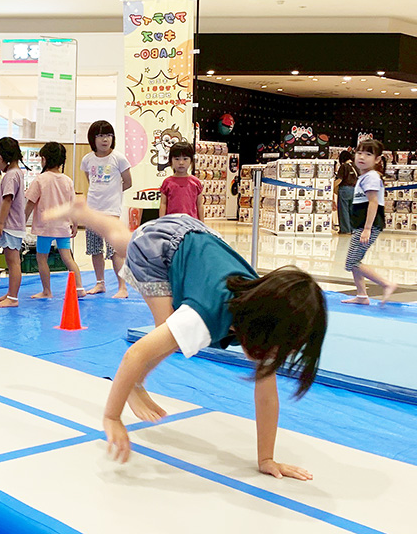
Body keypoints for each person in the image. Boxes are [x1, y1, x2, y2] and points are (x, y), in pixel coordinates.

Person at [54, 198, 327, 478]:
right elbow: (135, 353)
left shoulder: (260, 305)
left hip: (194, 235)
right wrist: (113, 416)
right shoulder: (207, 313)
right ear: (265, 326)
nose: (275, 354)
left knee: (124, 240)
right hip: (161, 248)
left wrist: (266, 459)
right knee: (166, 328)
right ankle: (136, 383)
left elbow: (268, 396)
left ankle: (82, 211)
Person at [25, 142, 85, 299]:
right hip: (63, 226)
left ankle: (47, 291)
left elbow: (30, 203)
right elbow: (72, 205)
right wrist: (75, 223)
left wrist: (22, 221)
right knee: (67, 258)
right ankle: (79, 287)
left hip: (45, 227)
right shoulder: (67, 180)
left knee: (41, 258)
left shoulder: (40, 180)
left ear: (43, 159)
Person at [341, 139, 397, 305]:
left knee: (352, 262)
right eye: (359, 153)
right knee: (354, 260)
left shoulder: (371, 177)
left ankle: (386, 284)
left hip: (367, 226)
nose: (362, 157)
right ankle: (362, 295)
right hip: (361, 225)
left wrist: (367, 228)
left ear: (377, 159)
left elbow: (373, 202)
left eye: (368, 154)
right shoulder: (364, 177)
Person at [80, 120, 132, 298]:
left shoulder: (118, 158)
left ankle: (122, 287)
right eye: (100, 136)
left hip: (111, 212)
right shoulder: (87, 159)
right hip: (93, 211)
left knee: (114, 251)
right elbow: (91, 181)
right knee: (95, 249)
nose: (105, 140)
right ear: (92, 139)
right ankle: (100, 283)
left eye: (108, 135)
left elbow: (128, 182)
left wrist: (113, 194)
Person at [0, 137, 26, 308]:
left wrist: (0, 223)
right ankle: (11, 292)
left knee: (13, 261)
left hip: (10, 225)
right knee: (11, 260)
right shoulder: (16, 173)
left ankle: (14, 297)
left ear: (1, 158)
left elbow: (7, 200)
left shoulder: (11, 175)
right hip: (11, 225)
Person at [159, 141, 203, 220]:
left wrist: (202, 224)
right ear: (170, 161)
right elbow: (163, 204)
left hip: (191, 223)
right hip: (172, 223)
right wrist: (161, 222)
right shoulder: (167, 182)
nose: (181, 162)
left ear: (191, 161)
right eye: (177, 159)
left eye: (185, 159)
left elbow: (199, 205)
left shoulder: (196, 182)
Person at [333, 150, 358, 234]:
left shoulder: (344, 167)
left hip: (345, 189)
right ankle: (352, 229)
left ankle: (345, 229)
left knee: (343, 210)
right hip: (354, 189)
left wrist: (330, 186)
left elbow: (340, 180)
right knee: (352, 210)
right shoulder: (356, 166)